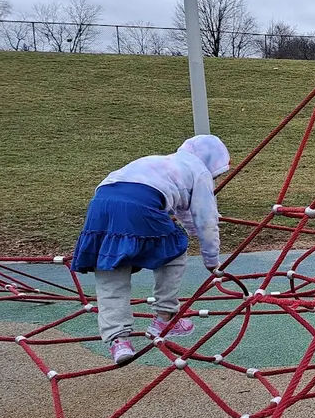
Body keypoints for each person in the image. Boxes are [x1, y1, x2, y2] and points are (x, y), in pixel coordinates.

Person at [70, 135, 230, 364]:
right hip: (141, 203)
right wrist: (211, 259)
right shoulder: (200, 171)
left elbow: (185, 211)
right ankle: (165, 316)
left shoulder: (160, 161)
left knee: (111, 268)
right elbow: (206, 220)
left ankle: (118, 340)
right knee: (174, 249)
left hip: (102, 203)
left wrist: (192, 230)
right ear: (212, 161)